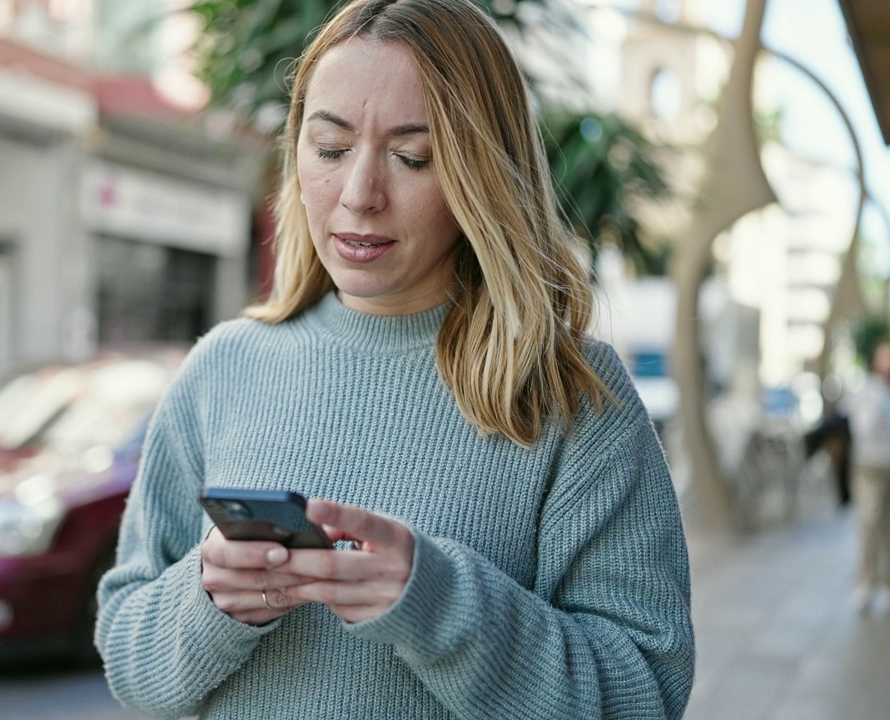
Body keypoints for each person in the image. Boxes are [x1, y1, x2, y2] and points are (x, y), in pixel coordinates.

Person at [95, 1, 694, 717]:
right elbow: (129, 659)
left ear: (483, 175)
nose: (358, 196)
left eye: (413, 157)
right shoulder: (221, 369)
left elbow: (643, 696)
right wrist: (209, 600)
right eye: (330, 148)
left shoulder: (573, 400)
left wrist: (440, 603)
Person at [848, 337, 890, 615]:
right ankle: (866, 582)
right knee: (869, 521)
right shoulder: (868, 391)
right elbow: (862, 426)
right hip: (870, 464)